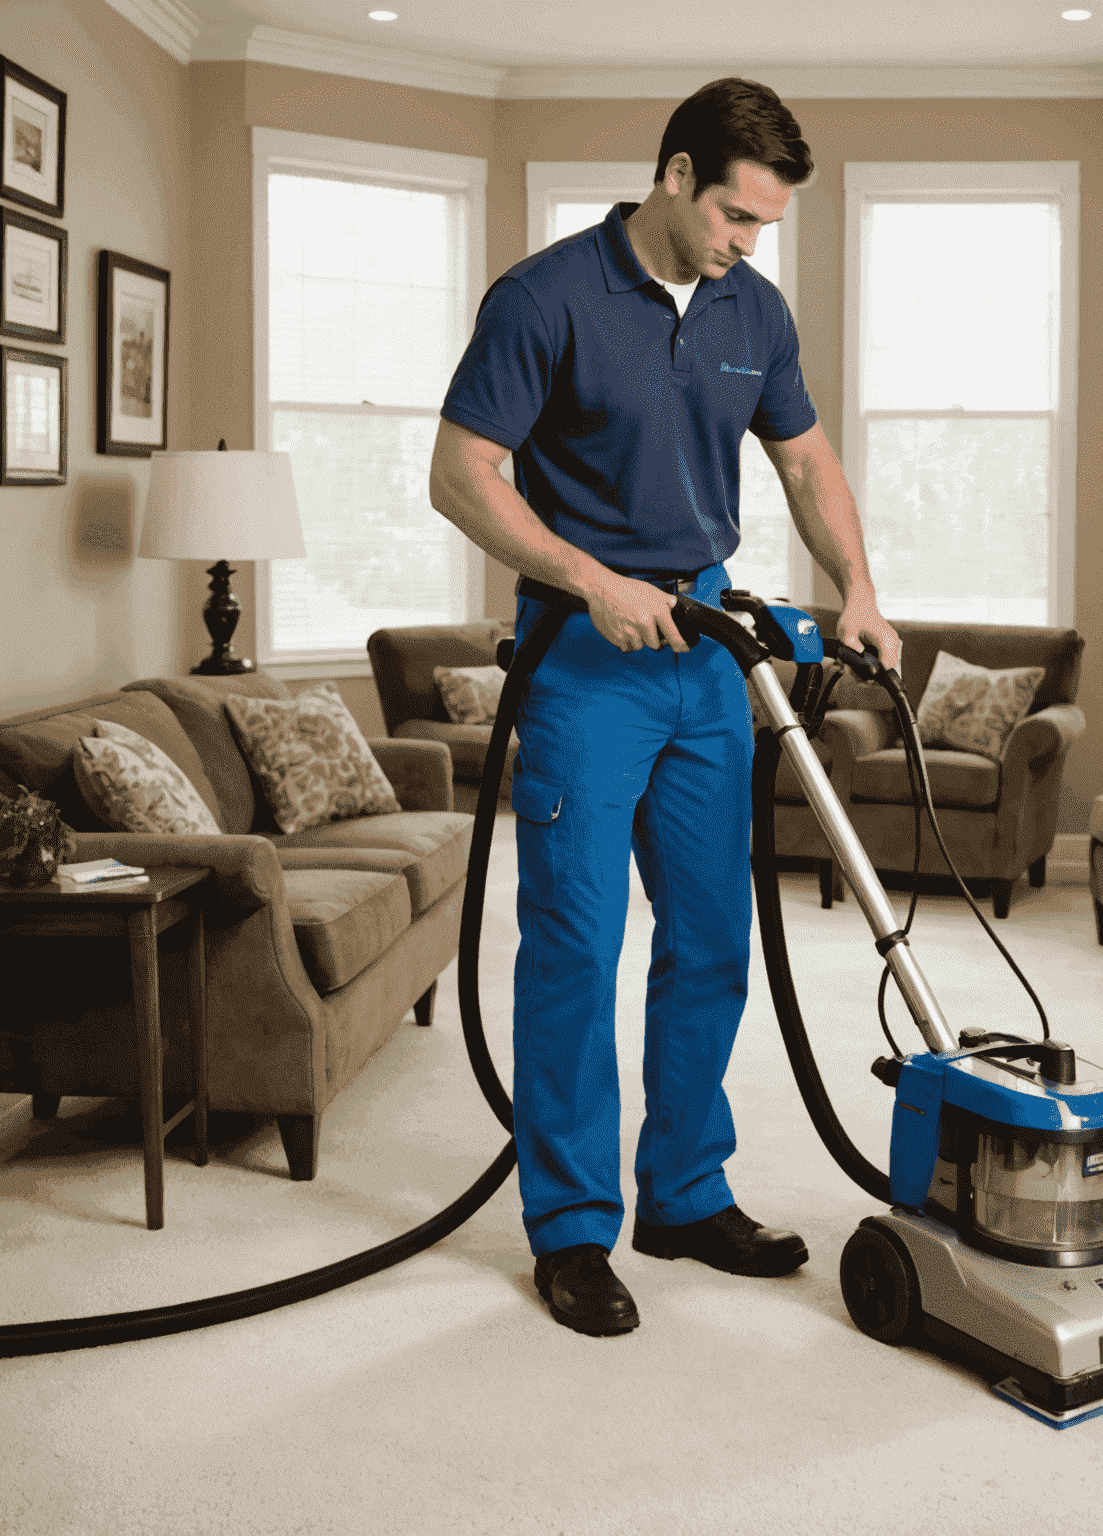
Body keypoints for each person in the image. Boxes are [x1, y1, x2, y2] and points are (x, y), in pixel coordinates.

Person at [429, 77, 901, 1338]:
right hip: (583, 658)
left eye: (767, 226)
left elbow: (803, 459)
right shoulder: (544, 298)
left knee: (713, 935)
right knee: (578, 944)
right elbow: (459, 473)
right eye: (738, 216)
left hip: (707, 654)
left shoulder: (756, 306)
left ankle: (684, 1192)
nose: (750, 243)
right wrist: (587, 579)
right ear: (677, 175)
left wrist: (857, 587)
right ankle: (572, 1228)